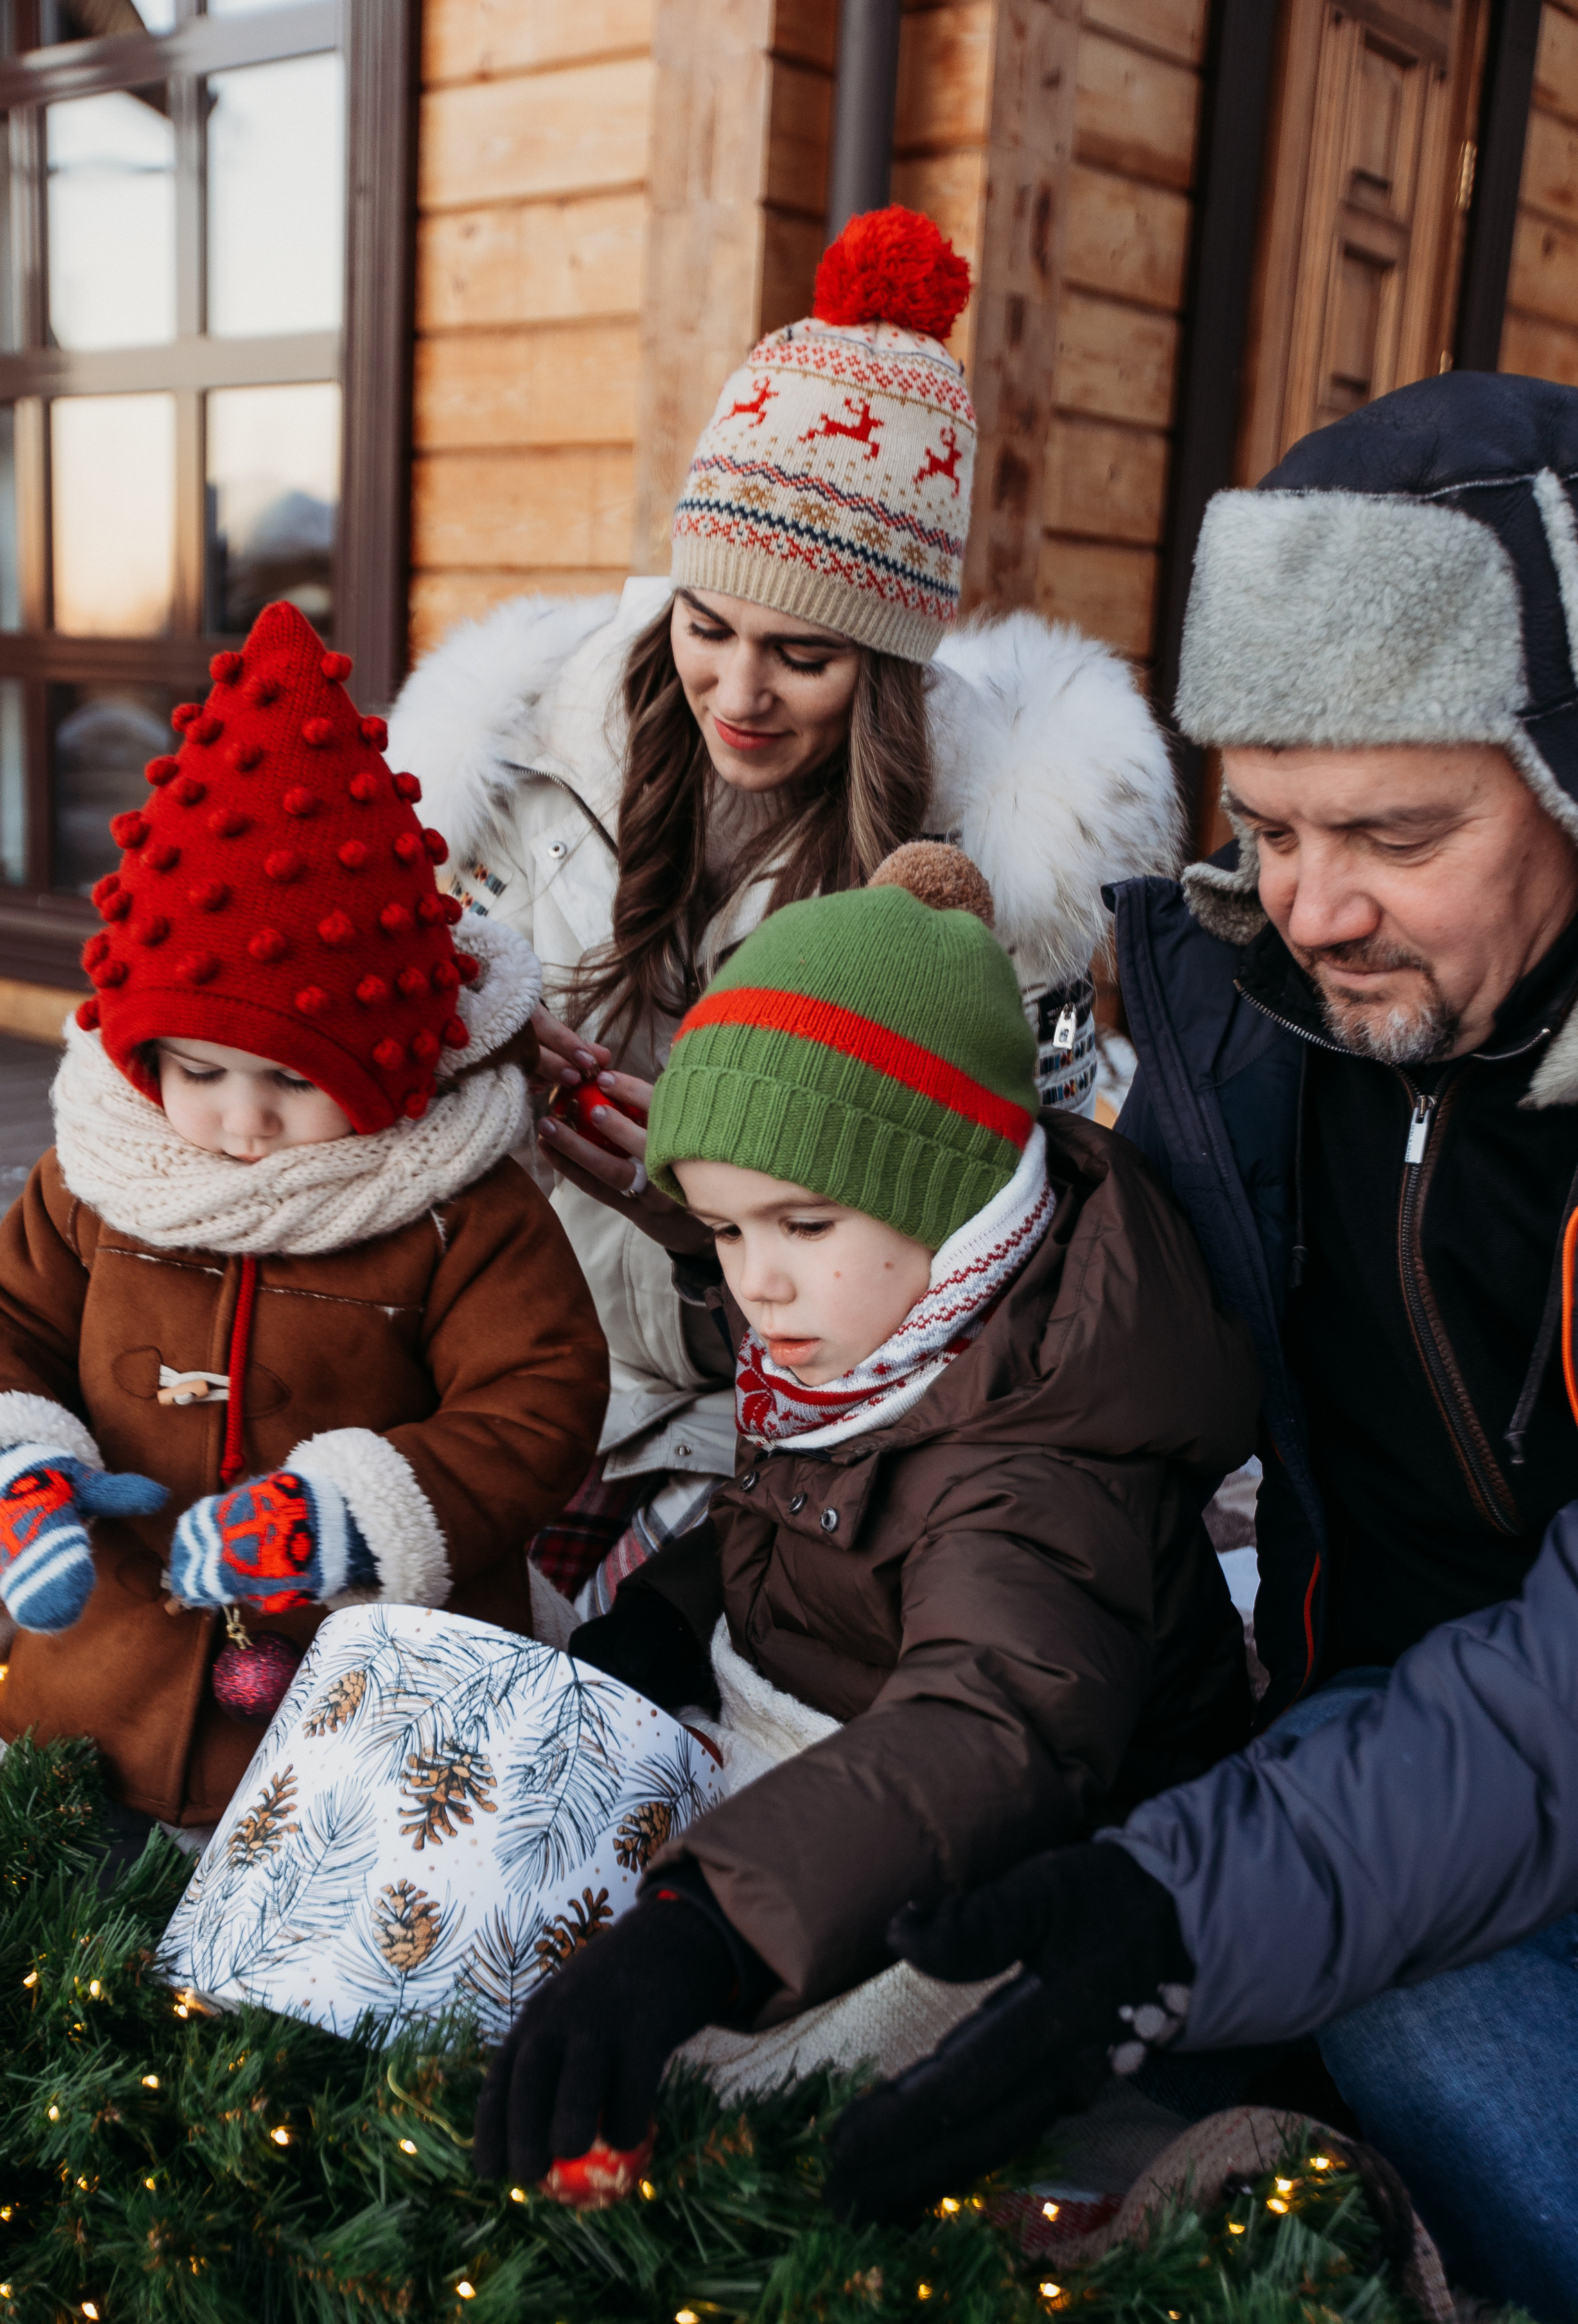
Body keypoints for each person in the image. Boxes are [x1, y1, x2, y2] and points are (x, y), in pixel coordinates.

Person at [821, 373, 1578, 2324]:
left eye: (1396, 832)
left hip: (1509, 1767)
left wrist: (1189, 1910)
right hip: (1366, 1743)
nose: (1314, 907)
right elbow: (1091, 1409)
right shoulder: (1259, 1027)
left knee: (1409, 2023)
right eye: (1269, 823)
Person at [384, 207, 1179, 1608]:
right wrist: (479, 1037)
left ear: (886, 671)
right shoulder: (505, 756)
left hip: (758, 1420)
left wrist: (697, 1225)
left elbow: (984, 1248)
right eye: (707, 626)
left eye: (801, 655)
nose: (736, 692)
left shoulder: (994, 874)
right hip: (486, 1354)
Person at [471, 840, 1260, 2187]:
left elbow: (991, 1731)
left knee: (737, 2123)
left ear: (949, 1199)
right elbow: (795, 1524)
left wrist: (703, 1931)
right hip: (828, 1776)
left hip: (1018, 1863)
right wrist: (664, 1627)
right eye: (723, 1232)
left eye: (801, 1224)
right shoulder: (873, 1346)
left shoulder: (1039, 1461)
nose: (758, 1288)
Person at [0, 600, 608, 1837]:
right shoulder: (101, 1176)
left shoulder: (455, 1206)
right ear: (141, 1058)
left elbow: (538, 1399)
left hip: (362, 1725)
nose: (240, 1121)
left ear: (391, 1064)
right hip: (101, 1693)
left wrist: (353, 1513)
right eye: (198, 1070)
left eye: (293, 1080)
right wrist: (14, 1469)